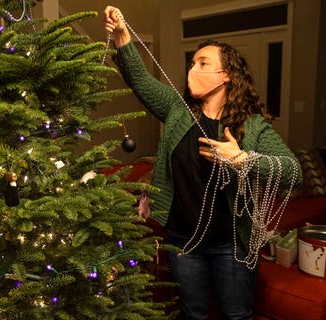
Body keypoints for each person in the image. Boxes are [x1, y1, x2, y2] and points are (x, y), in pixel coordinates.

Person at [103, 6, 300, 320]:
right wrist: (123, 36)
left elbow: (293, 172)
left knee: (236, 315)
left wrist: (243, 159)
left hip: (232, 244)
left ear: (225, 76)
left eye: (202, 63)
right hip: (183, 240)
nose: (192, 68)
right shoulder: (178, 109)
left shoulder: (253, 125)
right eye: (192, 62)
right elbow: (140, 79)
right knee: (192, 313)